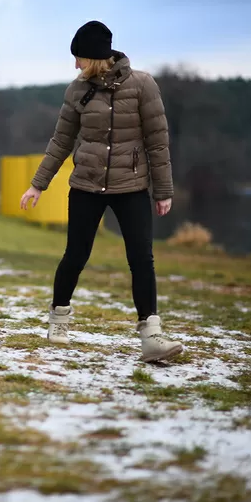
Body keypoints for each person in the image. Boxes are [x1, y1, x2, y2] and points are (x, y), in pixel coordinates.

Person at [19, 20, 183, 363]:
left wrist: (162, 190)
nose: (75, 64)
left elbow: (158, 142)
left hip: (131, 186)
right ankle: (59, 321)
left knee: (142, 259)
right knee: (75, 255)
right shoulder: (77, 91)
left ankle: (151, 337)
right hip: (86, 187)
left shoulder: (142, 85)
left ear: (95, 57)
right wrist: (38, 184)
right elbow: (61, 141)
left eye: (79, 57)